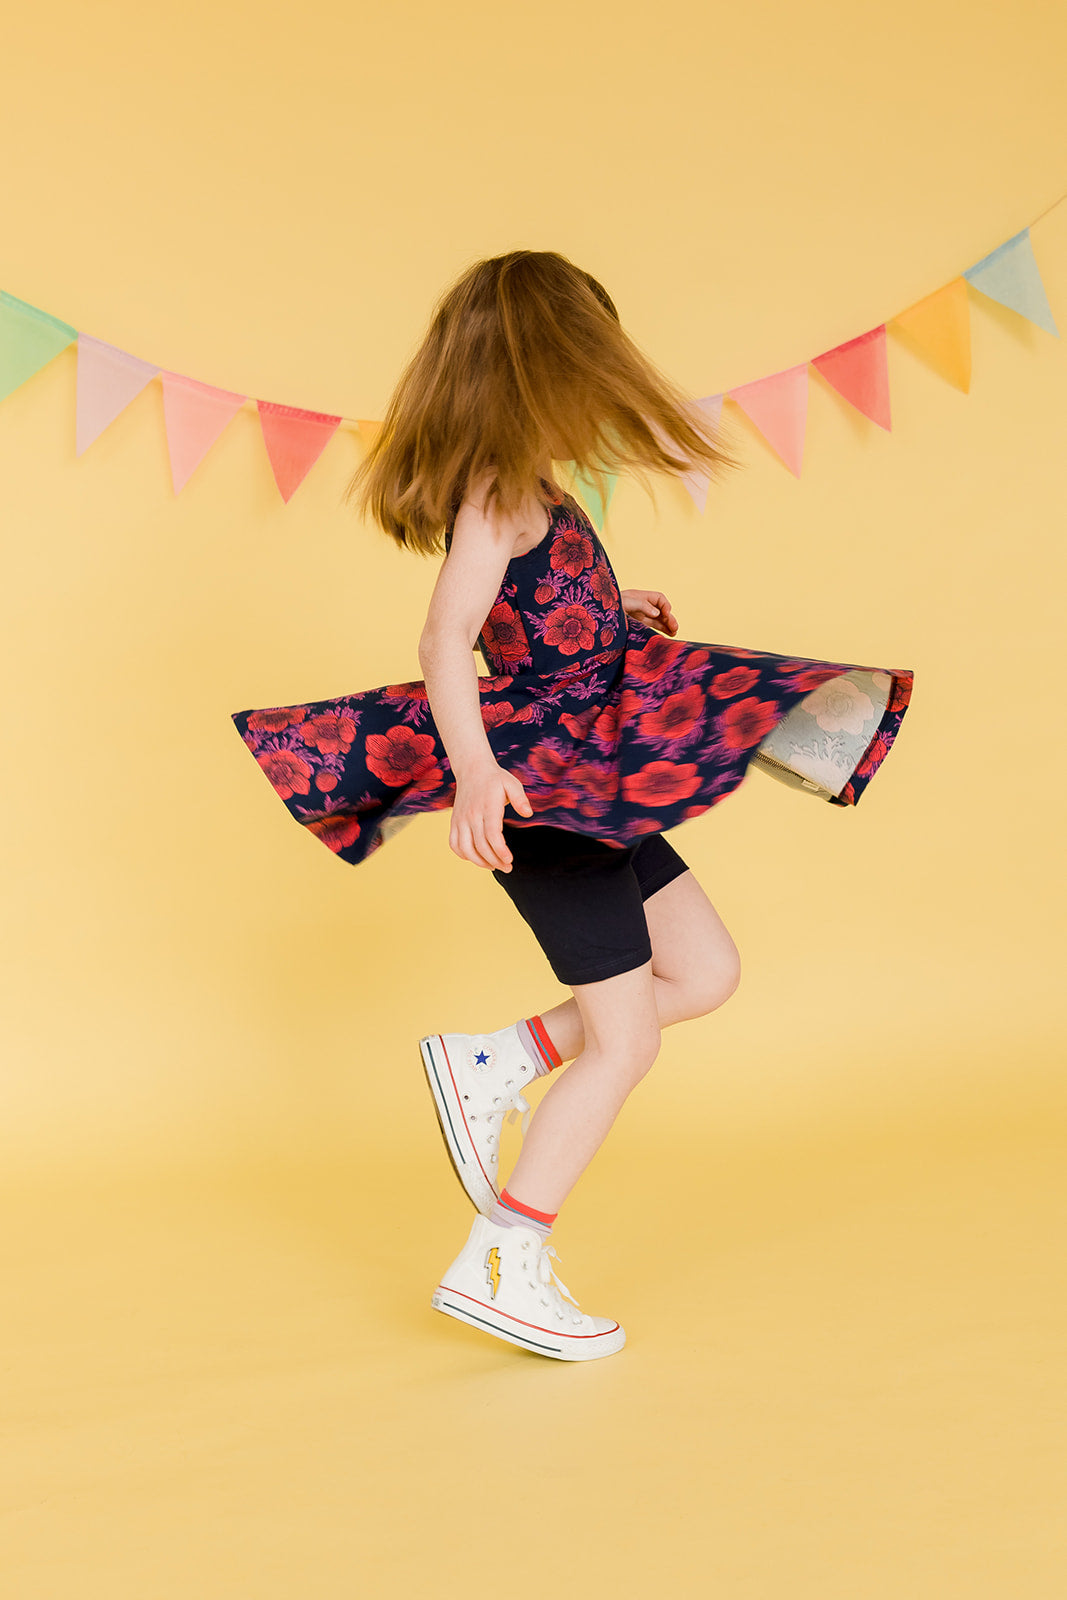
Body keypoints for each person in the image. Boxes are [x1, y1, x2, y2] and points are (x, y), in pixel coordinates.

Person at [231, 249, 914, 1362]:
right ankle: (505, 1257)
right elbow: (443, 639)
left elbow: (523, 612)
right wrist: (473, 769)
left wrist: (606, 609)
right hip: (545, 793)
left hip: (596, 780)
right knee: (625, 1039)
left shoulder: (535, 487)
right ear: (539, 371)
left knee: (704, 971)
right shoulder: (496, 493)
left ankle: (495, 1059)